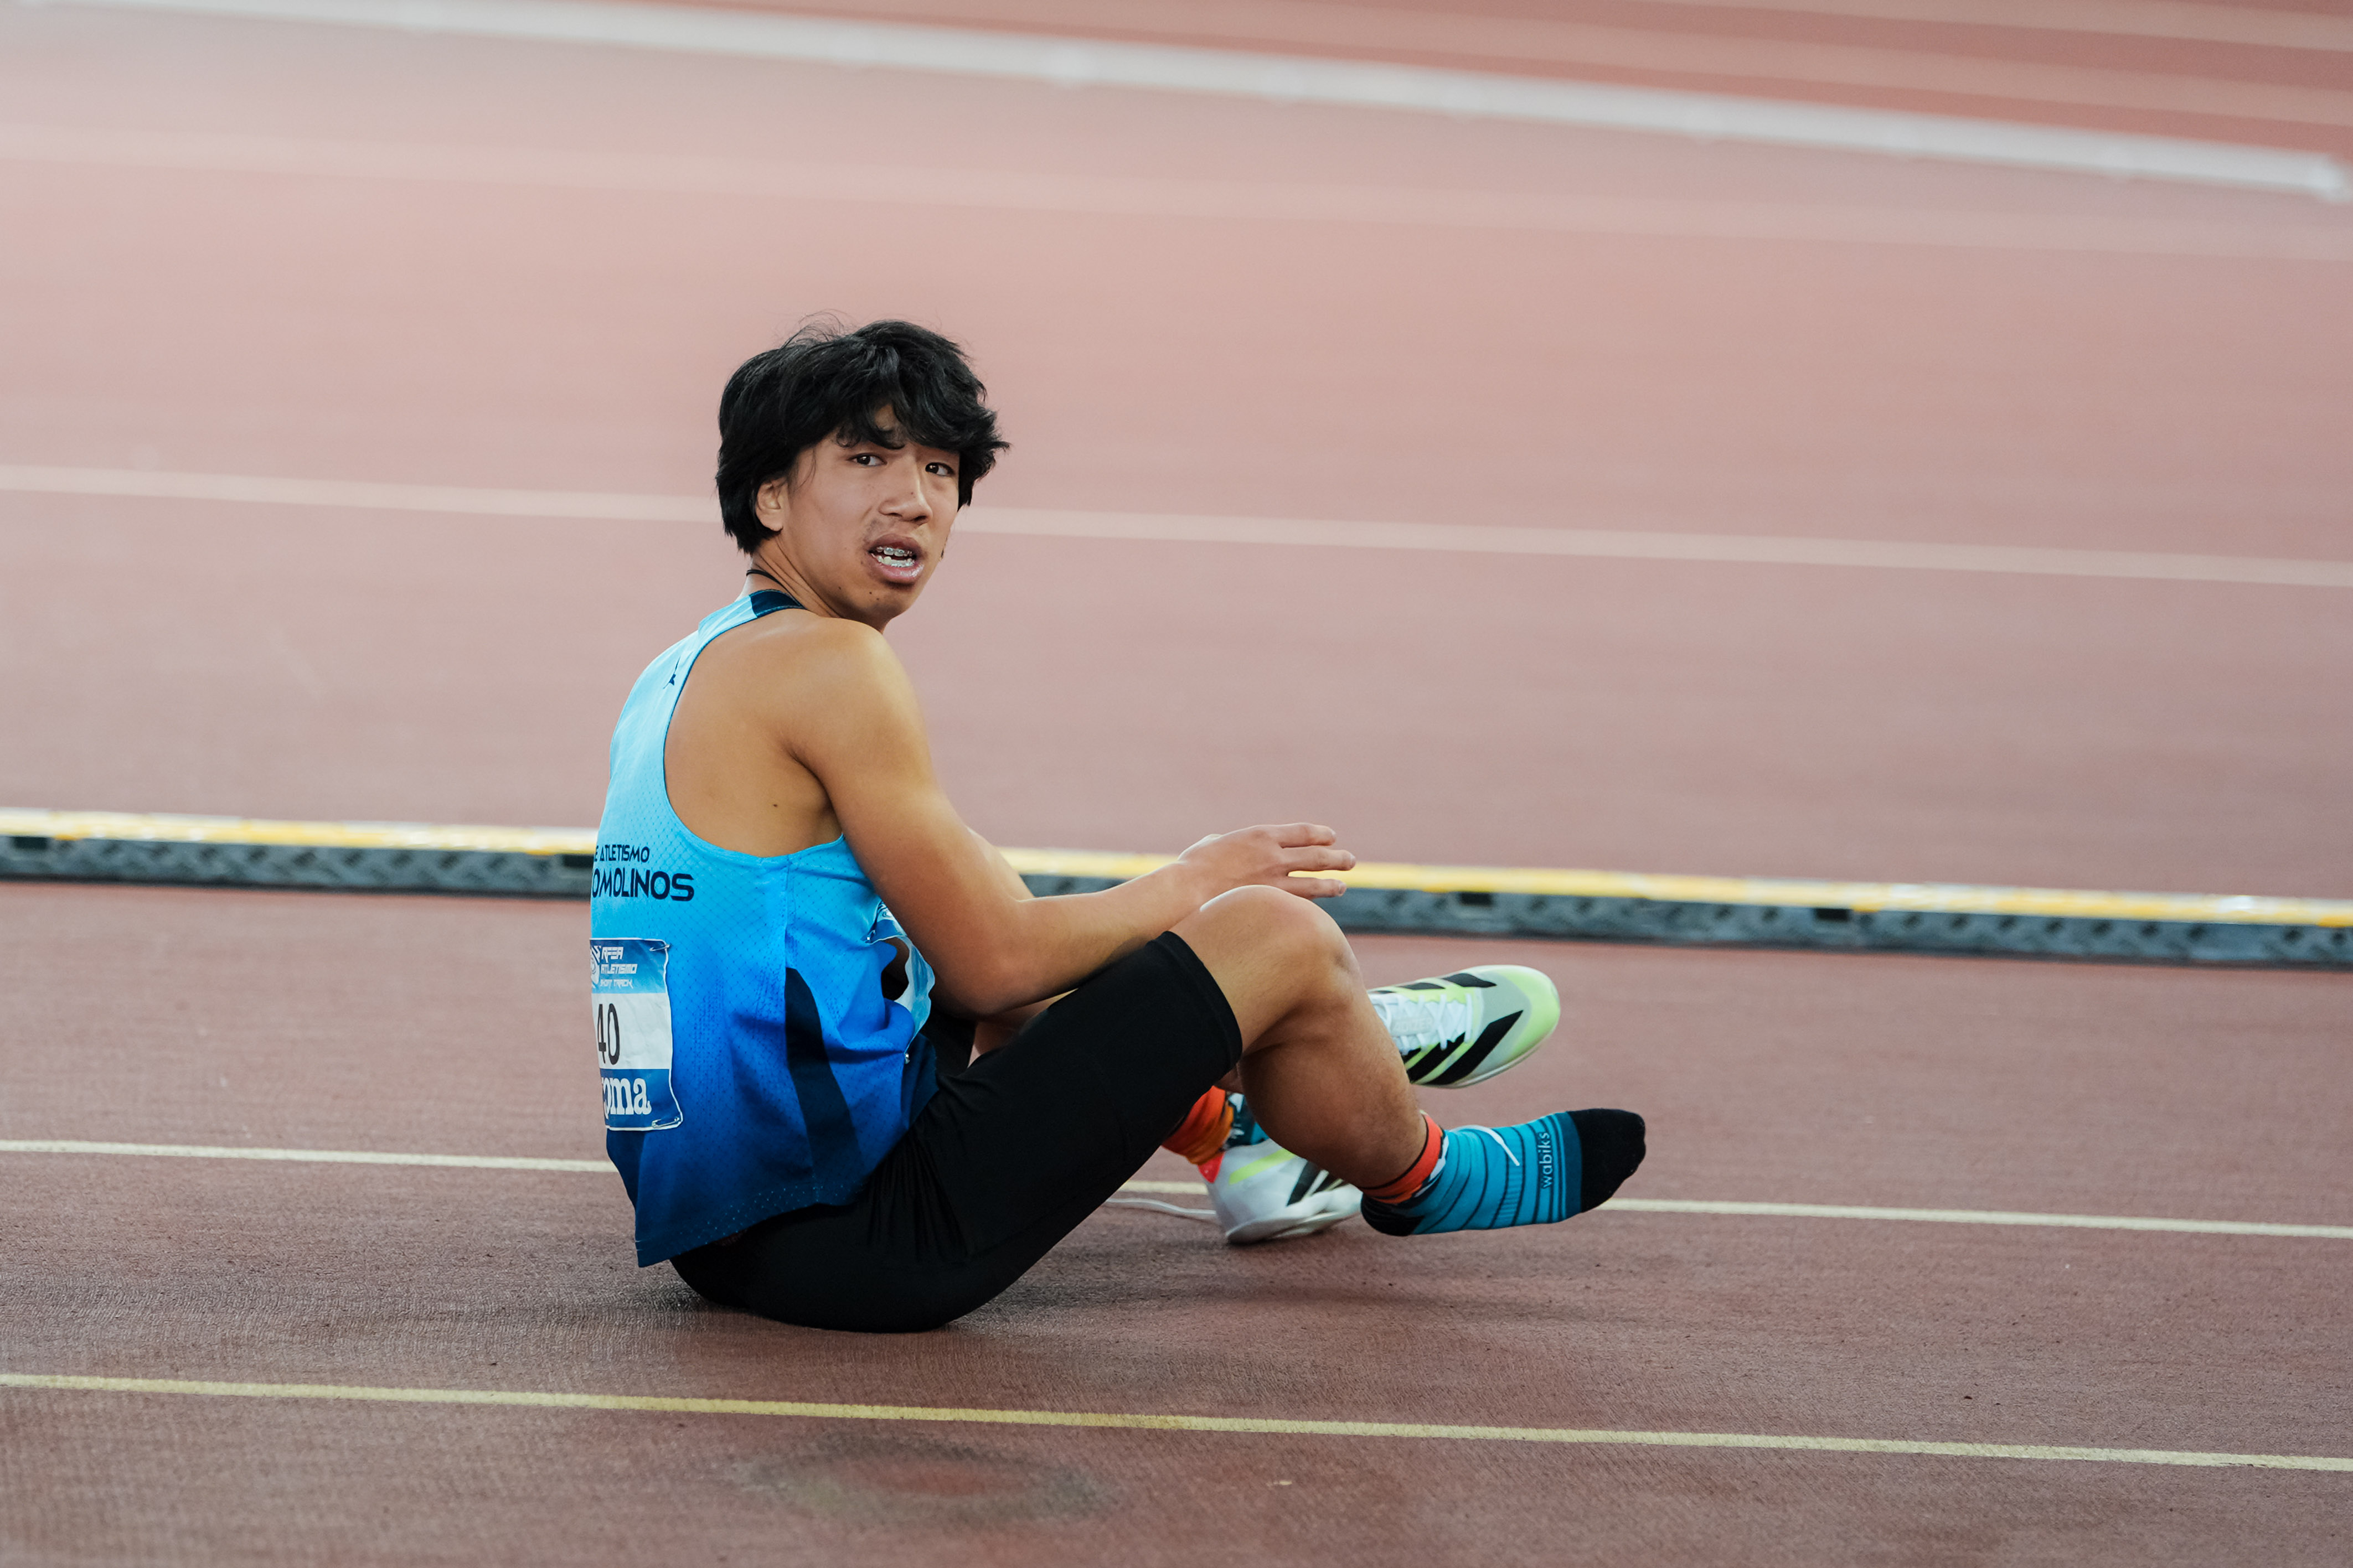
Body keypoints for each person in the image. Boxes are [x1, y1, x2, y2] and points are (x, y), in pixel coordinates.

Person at [589, 318, 1645, 1333]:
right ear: (771, 496)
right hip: (854, 1236)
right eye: (868, 459)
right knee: (1273, 932)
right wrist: (1201, 877)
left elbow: (972, 949)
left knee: (962, 883)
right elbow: (996, 967)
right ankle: (1412, 1164)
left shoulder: (685, 665)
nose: (913, 499)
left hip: (717, 1234)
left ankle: (1246, 1112)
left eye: (941, 471)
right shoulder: (833, 664)